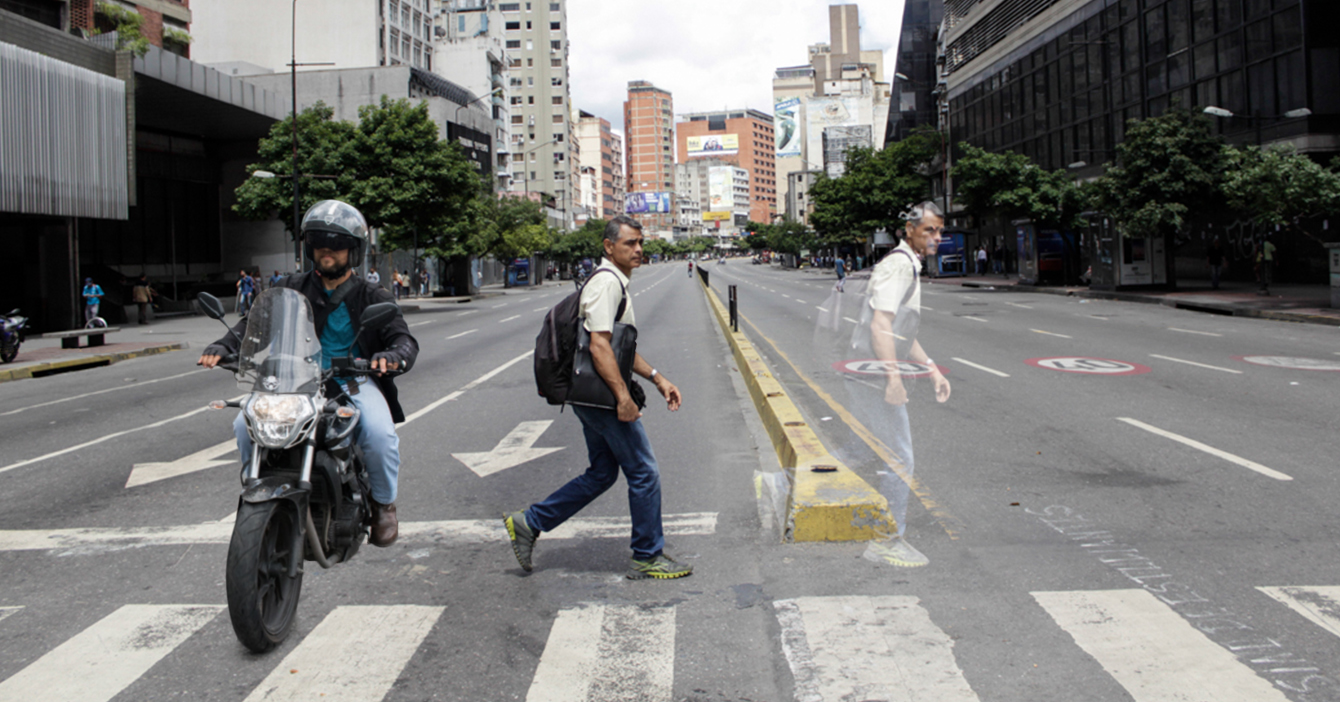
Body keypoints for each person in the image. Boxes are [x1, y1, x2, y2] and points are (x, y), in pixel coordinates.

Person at [198, 200, 418, 547]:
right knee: (244, 423)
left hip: (352, 381)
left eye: (336, 245)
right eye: (319, 244)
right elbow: (252, 325)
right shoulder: (290, 286)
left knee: (379, 435)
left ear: (354, 251)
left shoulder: (370, 293)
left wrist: (392, 355)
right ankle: (256, 484)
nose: (326, 251)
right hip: (294, 382)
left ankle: (383, 504)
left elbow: (402, 338)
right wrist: (224, 345)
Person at [504, 215, 691, 580]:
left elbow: (619, 346)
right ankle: (647, 554)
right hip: (602, 396)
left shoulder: (613, 283)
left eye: (640, 243)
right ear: (609, 247)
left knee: (603, 472)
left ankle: (530, 522)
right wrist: (623, 398)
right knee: (644, 471)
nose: (638, 249)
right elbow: (600, 345)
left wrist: (657, 378)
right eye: (629, 244)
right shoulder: (607, 284)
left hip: (590, 395)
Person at [854, 201, 951, 568]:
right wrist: (893, 379)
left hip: (865, 370)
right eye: (929, 230)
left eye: (940, 231)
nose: (937, 237)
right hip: (872, 373)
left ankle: (779, 486)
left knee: (858, 449)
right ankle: (887, 541)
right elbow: (881, 326)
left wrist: (931, 369)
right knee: (899, 456)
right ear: (908, 230)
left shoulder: (908, 265)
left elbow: (901, 331)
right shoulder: (898, 265)